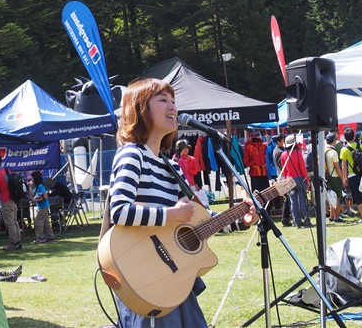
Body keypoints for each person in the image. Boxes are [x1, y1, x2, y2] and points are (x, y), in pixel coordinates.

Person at [108, 78, 258, 327]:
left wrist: (240, 220)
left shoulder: (172, 165)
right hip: (144, 275)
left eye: (174, 101)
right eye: (163, 100)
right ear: (140, 109)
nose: (172, 107)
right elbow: (120, 211)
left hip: (176, 275)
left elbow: (201, 218)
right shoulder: (132, 155)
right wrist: (171, 216)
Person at [0, 154, 22, 251]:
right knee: (15, 222)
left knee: (10, 223)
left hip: (6, 201)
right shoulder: (7, 170)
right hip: (13, 200)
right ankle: (18, 241)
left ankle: (14, 243)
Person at [280, 134, 312, 228]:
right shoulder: (298, 154)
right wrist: (307, 180)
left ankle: (296, 222)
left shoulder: (283, 155)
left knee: (293, 202)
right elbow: (303, 168)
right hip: (300, 179)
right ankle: (306, 221)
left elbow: (284, 170)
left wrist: (286, 180)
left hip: (289, 180)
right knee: (302, 200)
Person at [30, 171, 56, 244]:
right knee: (46, 223)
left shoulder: (40, 186)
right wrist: (30, 186)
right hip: (42, 206)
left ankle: (40, 237)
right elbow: (33, 194)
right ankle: (51, 237)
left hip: (43, 206)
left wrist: (36, 200)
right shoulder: (38, 186)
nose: (32, 179)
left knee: (38, 222)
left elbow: (45, 196)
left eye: (32, 177)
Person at [325, 133, 344, 223]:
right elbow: (337, 167)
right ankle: (336, 217)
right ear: (334, 141)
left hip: (327, 177)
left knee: (330, 197)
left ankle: (332, 216)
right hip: (334, 177)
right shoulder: (333, 152)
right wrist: (343, 178)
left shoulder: (324, 150)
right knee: (337, 198)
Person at [273, 134, 292, 227]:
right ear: (278, 142)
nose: (284, 143)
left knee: (286, 199)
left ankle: (286, 218)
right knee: (286, 199)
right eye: (283, 141)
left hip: (281, 176)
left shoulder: (278, 150)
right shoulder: (279, 152)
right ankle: (285, 219)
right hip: (283, 177)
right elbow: (282, 166)